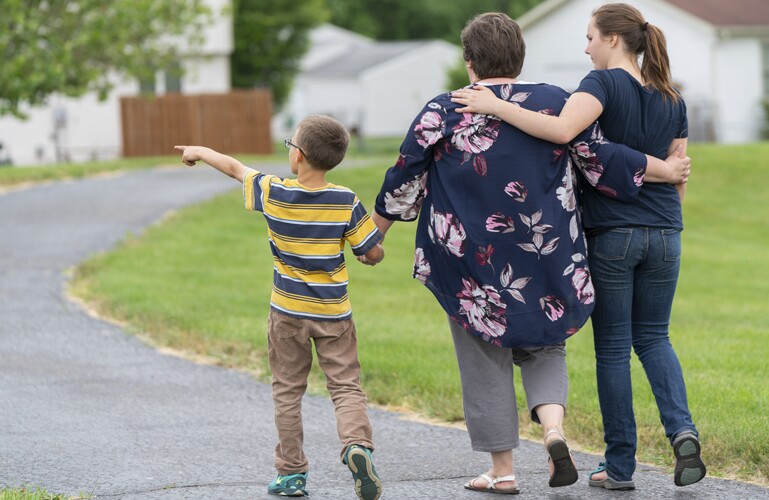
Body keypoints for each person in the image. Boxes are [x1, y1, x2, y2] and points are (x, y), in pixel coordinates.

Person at [370, 12, 688, 495]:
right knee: (545, 345)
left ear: (470, 62)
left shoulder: (447, 108)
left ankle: (503, 471)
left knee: (483, 352)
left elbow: (404, 174)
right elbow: (601, 159)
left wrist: (376, 235)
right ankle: (555, 432)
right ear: (519, 57)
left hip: (469, 259)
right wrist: (665, 170)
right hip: (546, 250)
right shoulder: (556, 103)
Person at [451, 2, 705, 491]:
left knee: (612, 351)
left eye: (590, 37)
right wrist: (667, 224)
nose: (585, 47)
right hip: (667, 233)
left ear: (613, 39)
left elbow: (564, 132)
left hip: (613, 234)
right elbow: (679, 172)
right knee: (654, 338)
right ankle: (682, 431)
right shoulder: (673, 99)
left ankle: (620, 467)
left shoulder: (601, 86)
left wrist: (496, 105)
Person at [175, 114, 385, 500]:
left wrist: (199, 151)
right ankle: (357, 446)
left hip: (286, 313)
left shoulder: (274, 192)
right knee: (345, 387)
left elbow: (236, 168)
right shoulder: (345, 200)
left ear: (299, 156)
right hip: (334, 316)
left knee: (288, 391)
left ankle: (291, 474)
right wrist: (372, 253)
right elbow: (371, 251)